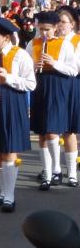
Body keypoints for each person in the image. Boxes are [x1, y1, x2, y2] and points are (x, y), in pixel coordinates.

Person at [0, 17, 36, 212]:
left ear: (7, 37)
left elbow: (31, 83)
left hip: (11, 101)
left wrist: (8, 78)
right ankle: (3, 190)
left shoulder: (20, 55)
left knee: (9, 148)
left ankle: (10, 195)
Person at [27, 11, 77, 191]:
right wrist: (33, 66)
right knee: (41, 132)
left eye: (47, 30)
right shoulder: (33, 43)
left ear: (56, 28)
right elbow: (25, 67)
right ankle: (47, 173)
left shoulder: (65, 44)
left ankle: (57, 169)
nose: (44, 33)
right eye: (41, 29)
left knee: (52, 130)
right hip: (39, 85)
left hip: (57, 85)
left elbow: (73, 70)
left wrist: (54, 63)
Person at [56, 7, 80, 187]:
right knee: (53, 130)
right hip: (56, 85)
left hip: (72, 85)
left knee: (69, 130)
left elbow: (75, 68)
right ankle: (54, 169)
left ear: (72, 24)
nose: (60, 26)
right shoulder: (53, 41)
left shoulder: (77, 41)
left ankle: (72, 172)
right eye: (58, 22)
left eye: (63, 22)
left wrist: (55, 64)